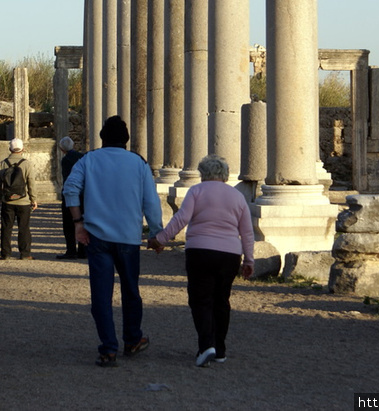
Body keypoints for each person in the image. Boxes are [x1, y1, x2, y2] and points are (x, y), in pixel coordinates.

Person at [62, 115, 164, 368]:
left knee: (101, 296)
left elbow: (70, 189)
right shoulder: (138, 163)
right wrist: (156, 232)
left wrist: (78, 222)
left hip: (97, 236)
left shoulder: (89, 159)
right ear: (126, 140)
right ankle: (132, 339)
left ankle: (108, 349)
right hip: (128, 237)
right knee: (131, 292)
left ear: (102, 137)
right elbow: (150, 201)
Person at [147, 154, 255, 368]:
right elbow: (247, 231)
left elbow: (181, 219)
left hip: (200, 251)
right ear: (224, 174)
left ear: (203, 174)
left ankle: (206, 345)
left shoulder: (196, 191)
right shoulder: (237, 196)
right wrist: (249, 260)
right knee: (221, 301)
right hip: (229, 254)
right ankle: (220, 349)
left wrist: (160, 239)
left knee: (200, 299)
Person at [0, 138, 37, 260]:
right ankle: (25, 253)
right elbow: (31, 183)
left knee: (6, 227)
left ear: (10, 149)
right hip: (24, 200)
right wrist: (34, 199)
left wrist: (0, 196)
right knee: (24, 227)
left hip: (7, 200)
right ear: (22, 149)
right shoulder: (27, 164)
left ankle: (5, 253)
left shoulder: (2, 164)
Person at [56, 136, 85, 260]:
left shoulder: (66, 160)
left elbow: (66, 177)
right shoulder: (82, 157)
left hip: (70, 193)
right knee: (83, 220)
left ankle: (71, 250)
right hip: (83, 193)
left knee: (68, 224)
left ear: (62, 149)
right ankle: (83, 250)